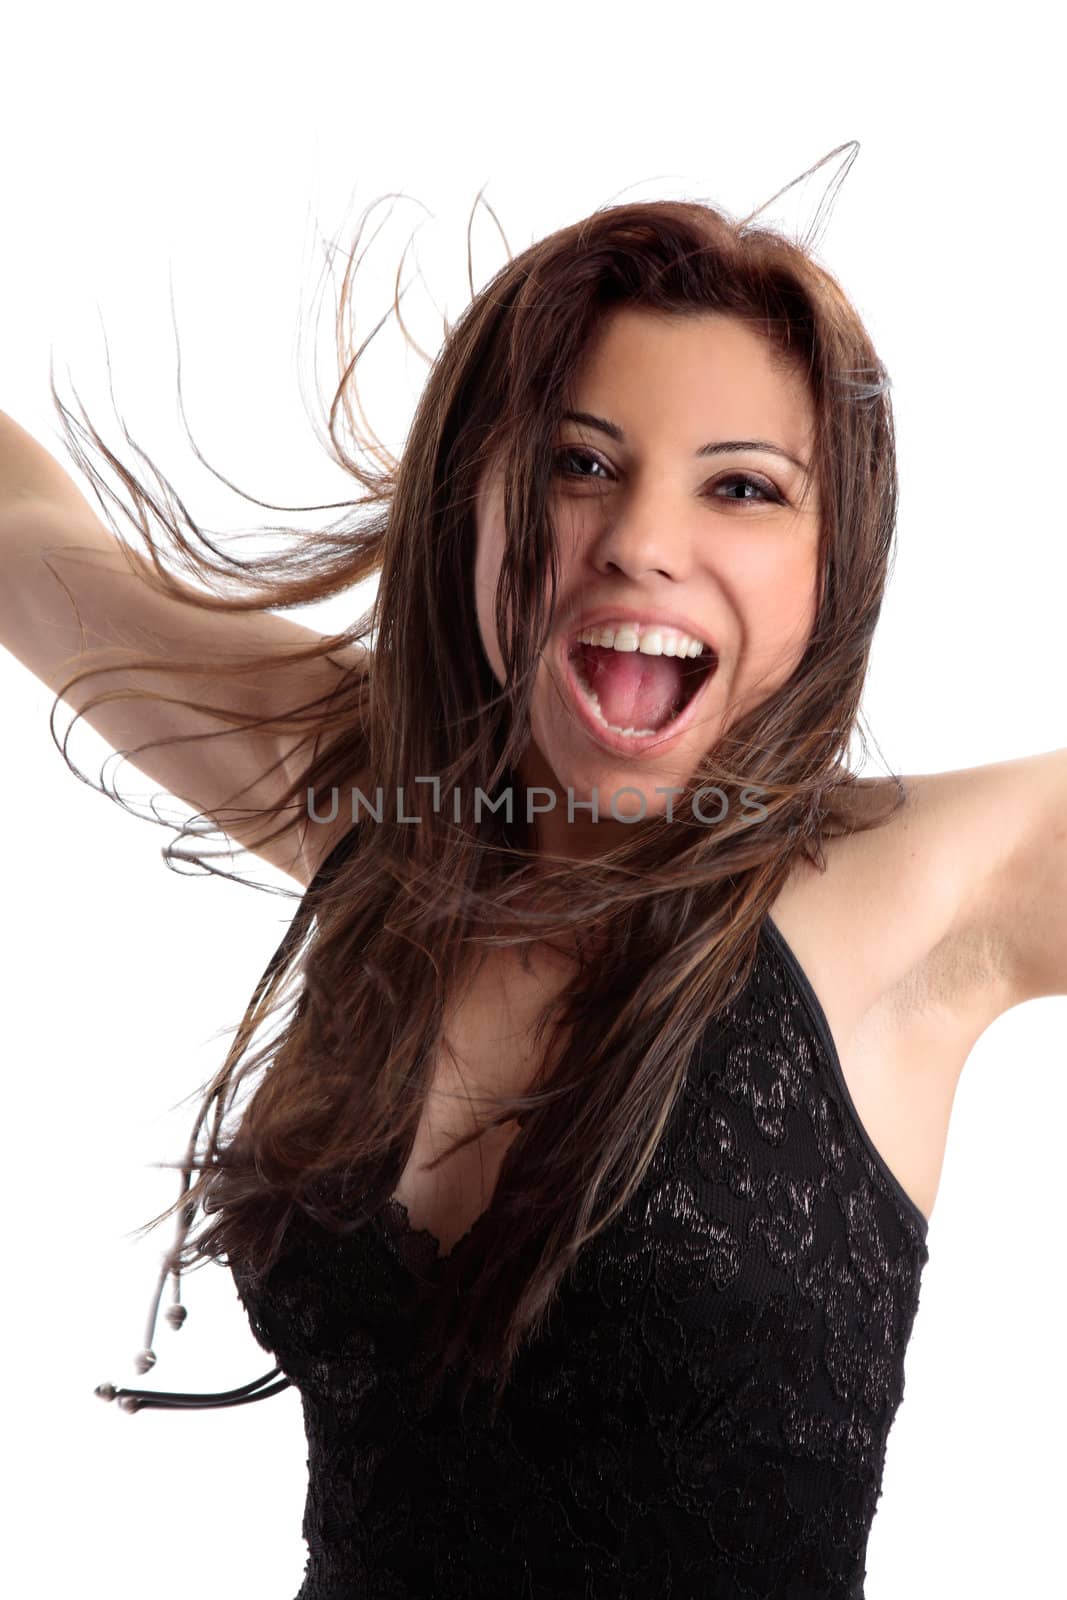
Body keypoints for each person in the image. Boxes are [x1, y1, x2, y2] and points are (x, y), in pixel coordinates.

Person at [2, 146, 1064, 1597]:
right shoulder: (385, 810)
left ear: (836, 564)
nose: (641, 544)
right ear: (479, 503)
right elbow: (33, 544)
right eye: (579, 464)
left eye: (742, 488)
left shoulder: (925, 887)